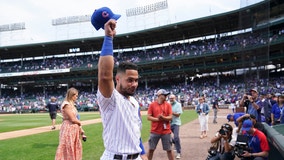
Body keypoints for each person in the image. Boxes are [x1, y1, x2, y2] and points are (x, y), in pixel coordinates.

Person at [94, 7, 146, 160]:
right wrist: (108, 38)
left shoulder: (135, 102)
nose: (134, 84)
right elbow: (104, 76)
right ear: (117, 79)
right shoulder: (110, 99)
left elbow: (135, 132)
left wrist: (142, 155)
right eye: (130, 80)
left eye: (136, 80)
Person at [55, 87, 86, 160]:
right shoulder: (67, 104)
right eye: (76, 95)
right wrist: (79, 123)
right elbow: (73, 119)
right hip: (68, 128)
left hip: (74, 128)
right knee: (68, 146)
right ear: (71, 95)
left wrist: (80, 129)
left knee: (73, 146)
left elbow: (76, 118)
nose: (77, 97)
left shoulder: (72, 105)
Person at [147, 89, 174, 160]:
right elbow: (149, 117)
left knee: (169, 150)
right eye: (164, 95)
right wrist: (158, 119)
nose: (166, 96)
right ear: (159, 95)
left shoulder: (168, 105)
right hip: (154, 131)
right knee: (151, 149)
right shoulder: (152, 105)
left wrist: (163, 117)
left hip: (166, 131)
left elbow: (170, 117)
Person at [169, 94, 183, 159]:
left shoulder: (178, 104)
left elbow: (178, 115)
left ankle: (178, 152)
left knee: (176, 137)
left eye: (172, 98)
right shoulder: (168, 104)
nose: (171, 99)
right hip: (168, 123)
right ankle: (175, 142)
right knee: (167, 137)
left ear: (175, 98)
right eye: (170, 98)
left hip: (176, 123)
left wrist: (171, 112)